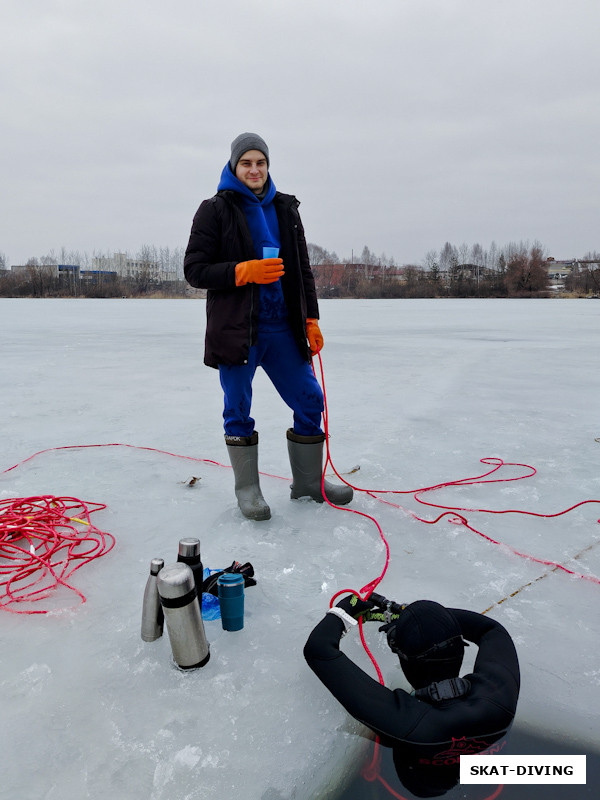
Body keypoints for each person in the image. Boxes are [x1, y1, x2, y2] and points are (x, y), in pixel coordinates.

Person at [184, 132, 353, 521]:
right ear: (234, 166)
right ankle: (248, 491)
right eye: (247, 163)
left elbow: (303, 272)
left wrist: (311, 318)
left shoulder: (286, 209)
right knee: (238, 409)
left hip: (283, 328)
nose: (254, 169)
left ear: (268, 166)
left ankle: (308, 484)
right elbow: (195, 270)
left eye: (260, 162)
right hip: (239, 329)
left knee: (311, 400)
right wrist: (242, 271)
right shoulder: (214, 210)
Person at [304, 595, 520, 796]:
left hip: (411, 789)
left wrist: (345, 610)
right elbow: (492, 630)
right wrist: (419, 618)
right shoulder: (500, 696)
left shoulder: (402, 720)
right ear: (460, 648)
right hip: (484, 783)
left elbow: (318, 649)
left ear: (405, 661)